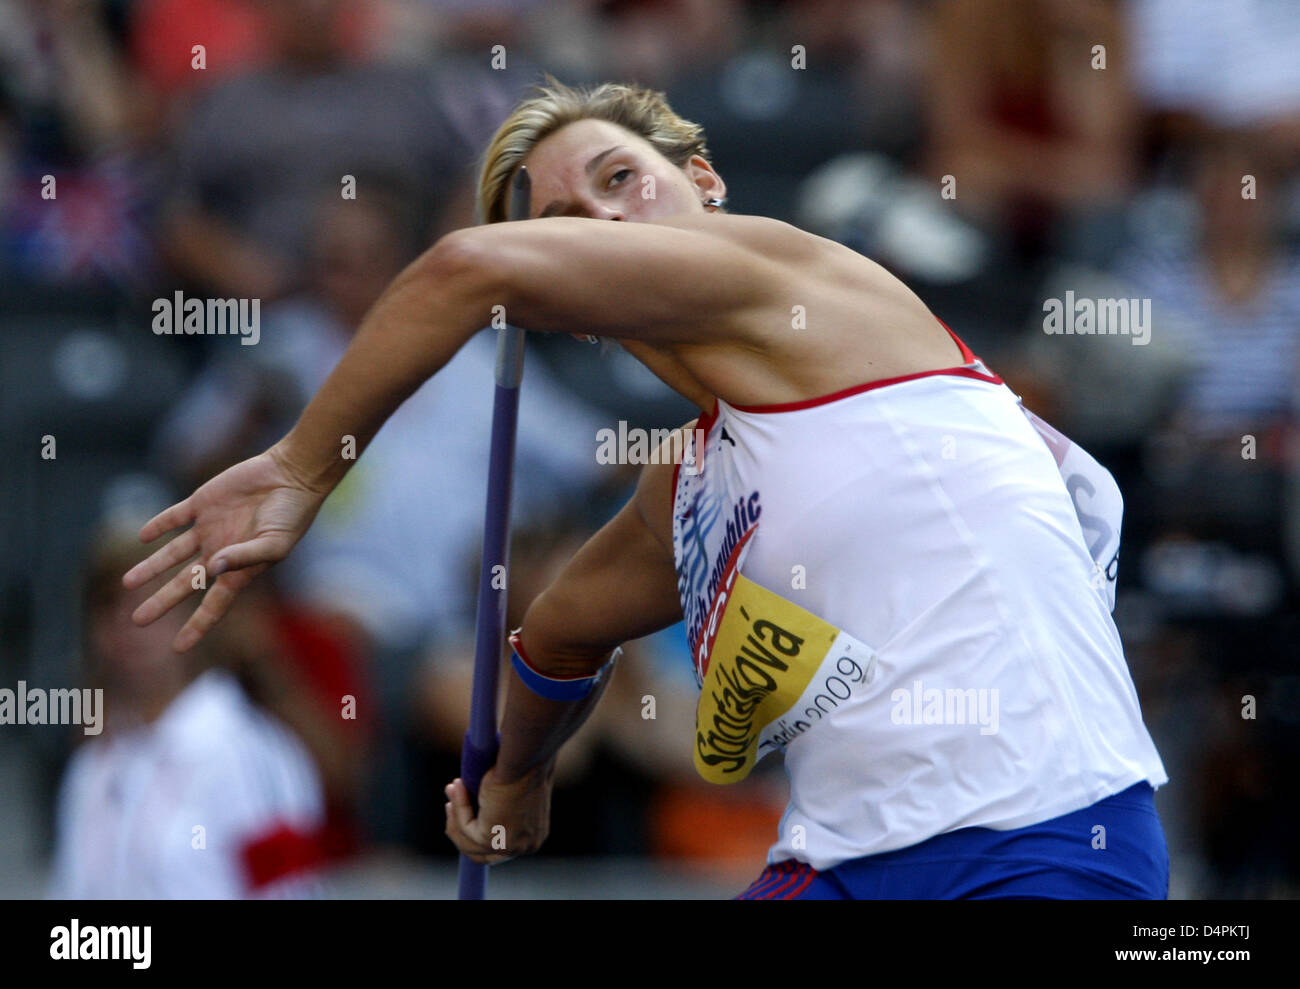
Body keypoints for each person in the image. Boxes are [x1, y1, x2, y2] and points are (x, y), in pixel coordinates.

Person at [124, 78, 1170, 899]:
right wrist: (518, 779)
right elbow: (556, 637)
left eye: (619, 181)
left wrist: (302, 468)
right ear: (573, 308)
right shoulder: (689, 479)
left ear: (704, 182)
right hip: (846, 861)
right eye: (566, 218)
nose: (598, 224)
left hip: (1041, 838)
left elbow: (460, 272)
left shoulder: (795, 281)